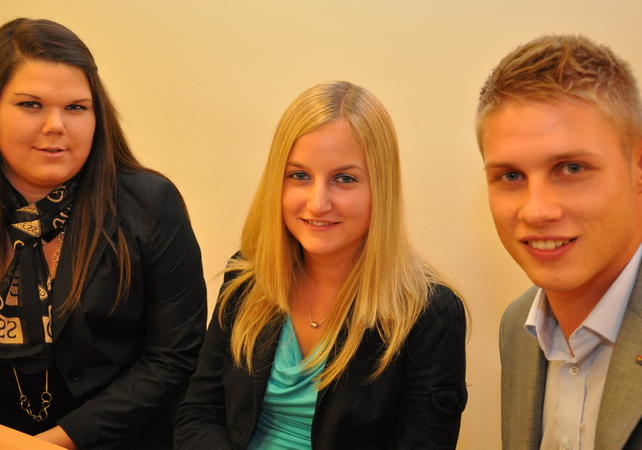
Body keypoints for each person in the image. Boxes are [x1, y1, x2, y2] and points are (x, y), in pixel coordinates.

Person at [0, 18, 207, 449]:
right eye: (31, 104)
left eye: (76, 107)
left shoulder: (151, 204)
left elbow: (173, 359)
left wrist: (53, 443)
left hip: (112, 440)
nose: (55, 125)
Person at [174, 81, 468, 449]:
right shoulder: (247, 277)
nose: (317, 203)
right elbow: (199, 414)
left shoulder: (430, 314)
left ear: (382, 188)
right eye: (299, 176)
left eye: (344, 179)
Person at [477, 35, 642, 449]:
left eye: (571, 168)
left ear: (638, 167)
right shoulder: (518, 328)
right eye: (511, 176)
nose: (536, 211)